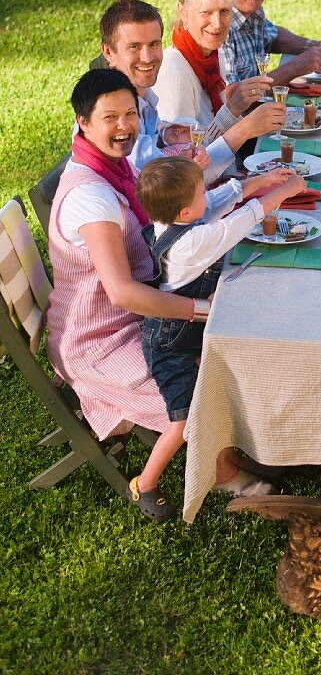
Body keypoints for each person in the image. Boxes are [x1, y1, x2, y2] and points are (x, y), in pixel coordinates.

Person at [48, 69, 217, 521]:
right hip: (97, 341)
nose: (123, 126)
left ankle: (234, 442)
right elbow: (121, 293)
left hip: (126, 317)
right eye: (110, 118)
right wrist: (201, 310)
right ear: (82, 122)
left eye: (129, 114)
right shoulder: (91, 197)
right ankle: (220, 463)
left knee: (217, 348)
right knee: (202, 376)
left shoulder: (116, 169)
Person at [135, 156, 308, 496]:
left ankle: (239, 453)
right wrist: (285, 190)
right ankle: (145, 483)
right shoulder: (191, 242)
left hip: (186, 331)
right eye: (201, 191)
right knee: (182, 420)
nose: (207, 195)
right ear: (185, 212)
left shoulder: (172, 220)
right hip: (171, 345)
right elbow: (241, 221)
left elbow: (216, 201)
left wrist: (261, 180)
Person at [153, 0, 286, 155]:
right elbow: (187, 163)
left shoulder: (214, 55)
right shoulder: (174, 71)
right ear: (183, 14)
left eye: (224, 11)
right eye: (206, 12)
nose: (217, 24)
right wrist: (232, 110)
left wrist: (235, 102)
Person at [97, 0, 234, 181]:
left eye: (154, 44)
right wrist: (243, 131)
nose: (147, 58)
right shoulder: (113, 111)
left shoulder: (146, 98)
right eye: (134, 47)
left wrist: (185, 156)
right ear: (108, 53)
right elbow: (161, 183)